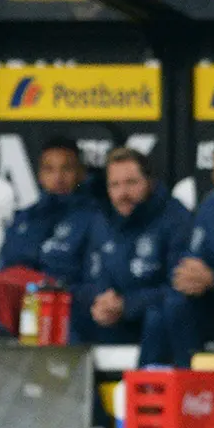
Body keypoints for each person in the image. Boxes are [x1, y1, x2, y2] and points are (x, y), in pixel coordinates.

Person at [73, 148, 191, 366]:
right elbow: (90, 278)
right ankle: (70, 389)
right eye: (114, 185)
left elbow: (180, 289)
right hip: (112, 319)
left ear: (150, 182)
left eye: (131, 183)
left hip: (150, 322)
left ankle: (147, 387)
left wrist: (127, 305)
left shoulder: (175, 219)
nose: (122, 193)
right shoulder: (102, 220)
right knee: (69, 311)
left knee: (160, 315)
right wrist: (100, 301)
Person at [166, 143, 214, 366]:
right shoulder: (210, 207)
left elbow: (211, 278)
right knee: (173, 307)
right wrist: (190, 276)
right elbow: (195, 258)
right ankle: (185, 380)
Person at [0, 136, 100, 286]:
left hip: (65, 297)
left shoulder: (95, 218)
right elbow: (3, 270)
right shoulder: (24, 218)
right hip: (19, 294)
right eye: (49, 169)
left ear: (81, 173)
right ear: (40, 175)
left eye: (66, 169)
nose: (58, 178)